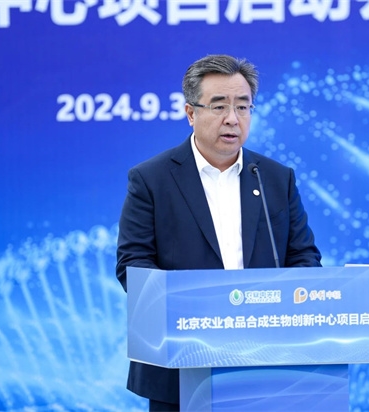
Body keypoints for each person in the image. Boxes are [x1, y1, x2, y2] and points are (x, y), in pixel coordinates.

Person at [116, 54, 322, 411]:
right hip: (181, 363)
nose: (232, 118)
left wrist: (288, 302)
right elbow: (133, 264)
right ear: (190, 113)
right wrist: (193, 307)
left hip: (266, 361)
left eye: (243, 106)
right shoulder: (152, 179)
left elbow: (304, 257)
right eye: (219, 106)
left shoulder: (275, 178)